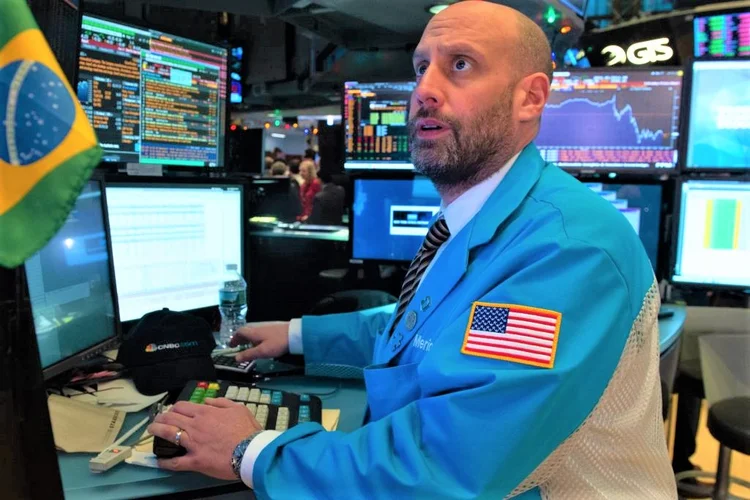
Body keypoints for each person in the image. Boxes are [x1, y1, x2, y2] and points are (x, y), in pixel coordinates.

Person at [149, 3, 676, 498]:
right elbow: (431, 330)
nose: (425, 89)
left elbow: (445, 471)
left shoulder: (566, 252)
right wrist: (297, 334)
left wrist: (249, 450)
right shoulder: (484, 215)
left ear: (530, 97)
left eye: (461, 65)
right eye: (421, 66)